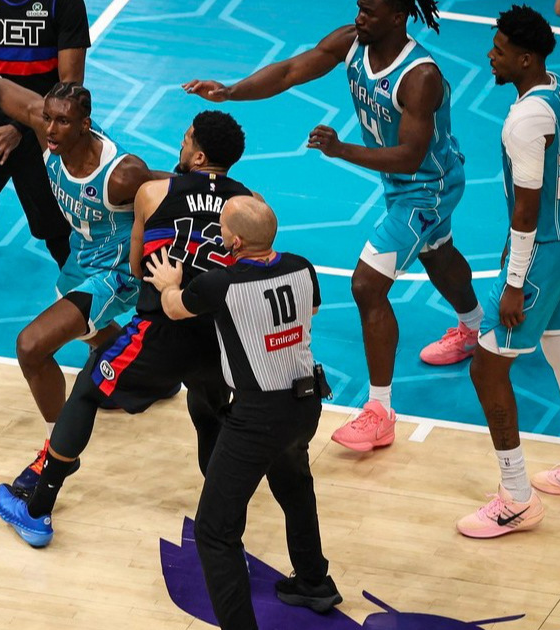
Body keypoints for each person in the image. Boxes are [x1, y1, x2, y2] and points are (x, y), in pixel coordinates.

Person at [184, 0, 483, 453]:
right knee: (437, 253)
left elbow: (410, 157)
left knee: (367, 285)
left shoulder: (420, 77)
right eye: (359, 7)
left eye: (370, 12)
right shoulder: (352, 41)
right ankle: (474, 328)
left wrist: (340, 150)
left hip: (426, 188)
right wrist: (230, 92)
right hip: (402, 182)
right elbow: (290, 71)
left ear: (398, 17)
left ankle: (380, 412)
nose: (360, 17)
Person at [0, 111, 255, 547]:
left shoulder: (153, 192)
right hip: (218, 336)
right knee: (209, 415)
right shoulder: (250, 203)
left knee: (86, 391)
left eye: (187, 139)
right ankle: (224, 531)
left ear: (199, 155)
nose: (182, 144)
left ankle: (36, 511)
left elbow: (136, 267)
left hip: (162, 332)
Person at [0, 78, 172, 495]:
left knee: (32, 346)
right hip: (82, 255)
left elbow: (169, 190)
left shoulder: (122, 174)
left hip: (117, 269)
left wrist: (230, 198)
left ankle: (58, 450)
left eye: (62, 121)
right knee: (82, 327)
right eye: (47, 118)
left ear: (85, 124)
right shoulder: (43, 128)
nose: (50, 129)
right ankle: (149, 374)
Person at [144, 196, 341, 630]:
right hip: (305, 403)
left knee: (215, 531)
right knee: (294, 486)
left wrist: (169, 283)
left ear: (234, 242)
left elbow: (175, 309)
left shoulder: (221, 283)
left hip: (257, 416)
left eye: (221, 227)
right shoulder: (302, 267)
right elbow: (310, 310)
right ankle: (314, 581)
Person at [456, 5, 560, 539]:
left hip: (541, 255)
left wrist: (514, 283)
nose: (491, 56)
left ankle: (516, 499)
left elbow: (526, 211)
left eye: (501, 50)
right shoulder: (559, 89)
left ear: (526, 58)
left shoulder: (525, 120)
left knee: (486, 369)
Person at [0, 0, 91, 267]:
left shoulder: (64, 3)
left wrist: (19, 127)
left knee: (58, 231)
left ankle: (79, 288)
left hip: (41, 126)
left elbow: (69, 85)